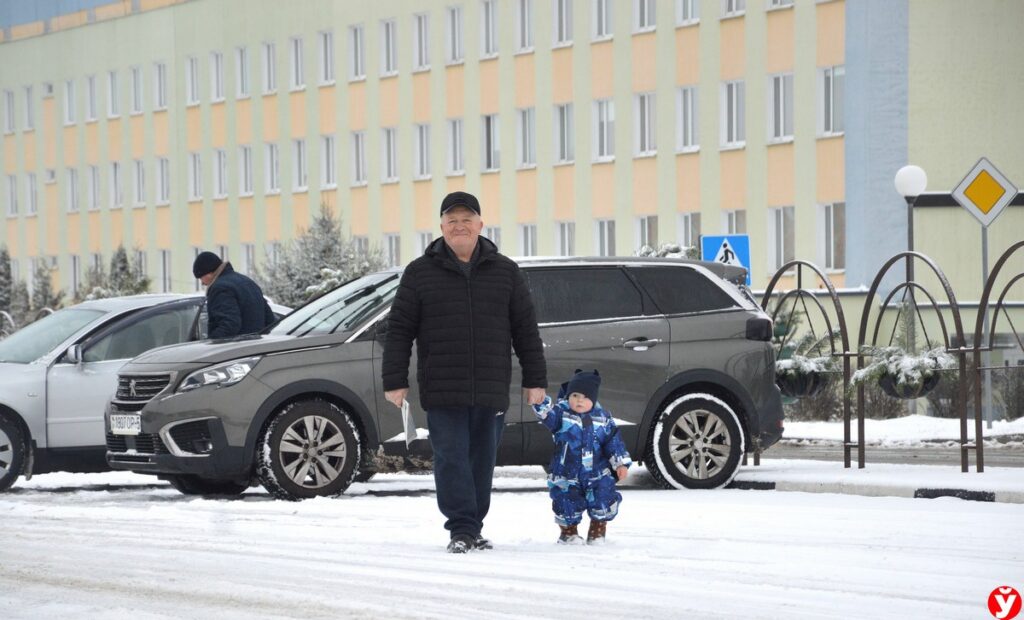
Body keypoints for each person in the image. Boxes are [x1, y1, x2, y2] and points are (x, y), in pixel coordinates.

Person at [382, 191, 547, 554]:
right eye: (452, 220)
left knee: (482, 459)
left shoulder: (504, 271)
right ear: (441, 227)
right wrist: (395, 380)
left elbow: (525, 329)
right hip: (443, 387)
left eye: (466, 219)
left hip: (490, 386)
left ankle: (472, 525)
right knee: (452, 457)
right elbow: (399, 329)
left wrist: (535, 380)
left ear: (480, 225)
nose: (460, 226)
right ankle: (461, 527)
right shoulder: (419, 272)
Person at [531, 369, 631, 545]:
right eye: (575, 395)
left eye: (585, 397)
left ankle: (597, 531)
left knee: (603, 497)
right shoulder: (562, 415)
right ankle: (568, 533)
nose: (579, 400)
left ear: (593, 399)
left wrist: (620, 464)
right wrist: (540, 403)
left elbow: (613, 442)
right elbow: (547, 415)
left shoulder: (603, 419)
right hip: (567, 471)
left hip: (597, 472)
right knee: (566, 501)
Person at [191, 251, 276, 339]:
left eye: (201, 277)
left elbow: (229, 325)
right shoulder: (248, 282)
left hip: (236, 349)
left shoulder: (220, 288)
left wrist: (210, 343)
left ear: (208, 273)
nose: (202, 283)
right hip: (257, 346)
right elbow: (270, 320)